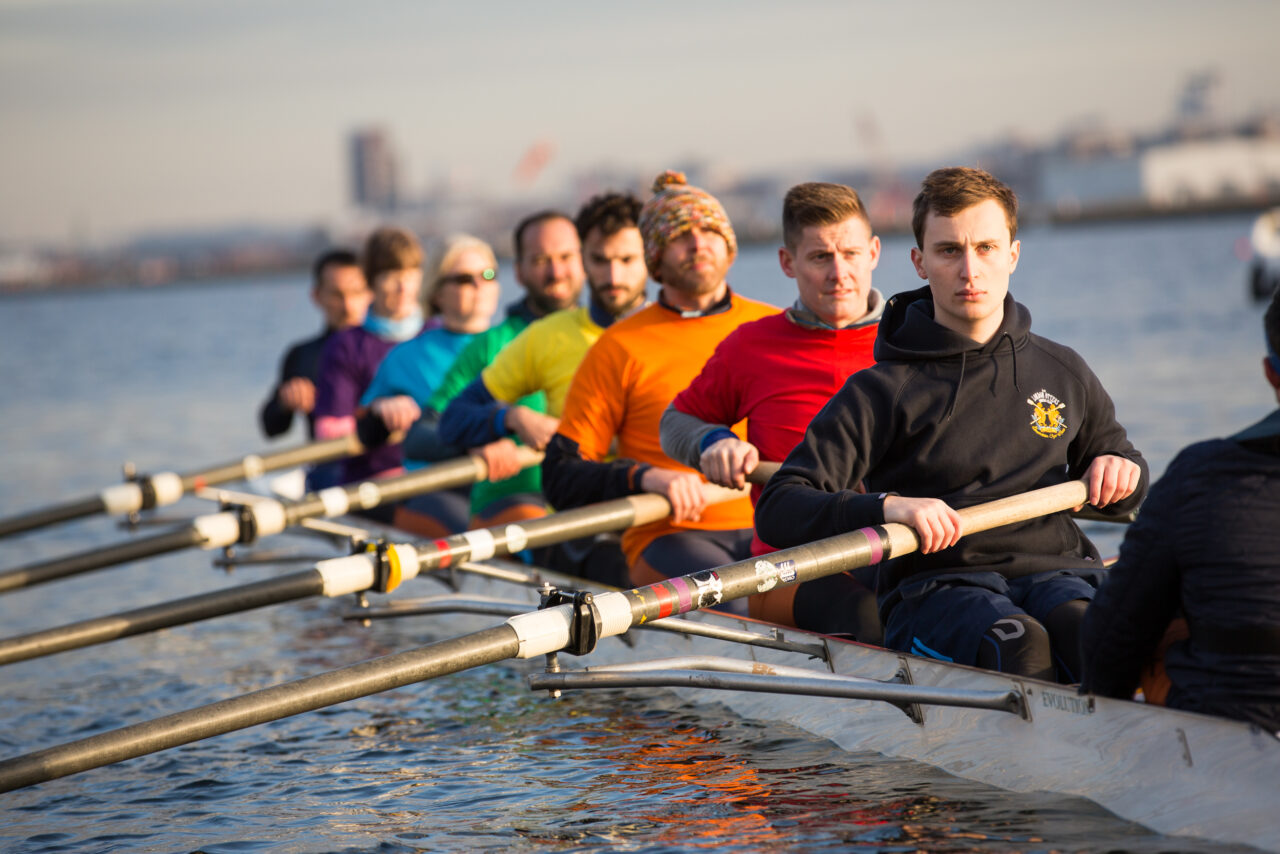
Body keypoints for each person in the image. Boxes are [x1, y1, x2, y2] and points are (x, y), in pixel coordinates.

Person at [755, 166, 1147, 682]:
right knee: (1020, 644)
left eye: (986, 248)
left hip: (1060, 572)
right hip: (936, 587)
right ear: (919, 262)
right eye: (948, 251)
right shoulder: (880, 392)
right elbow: (781, 506)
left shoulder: (1063, 369)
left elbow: (1128, 479)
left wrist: (1119, 471)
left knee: (1088, 632)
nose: (970, 270)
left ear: (1013, 254)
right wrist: (887, 507)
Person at [541, 171, 776, 607]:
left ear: (729, 245)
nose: (699, 244)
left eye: (710, 231)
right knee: (747, 607)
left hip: (776, 523)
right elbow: (559, 475)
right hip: (672, 533)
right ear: (654, 257)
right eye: (680, 235)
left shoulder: (773, 327)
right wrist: (646, 476)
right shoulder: (620, 346)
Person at [659, 182, 884, 637]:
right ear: (788, 262)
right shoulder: (751, 346)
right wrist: (713, 442)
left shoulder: (915, 340)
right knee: (867, 615)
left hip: (894, 543)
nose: (839, 273)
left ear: (874, 252)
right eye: (820, 257)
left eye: (851, 254)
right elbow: (674, 423)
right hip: (788, 565)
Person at [1080, 290, 1280, 730]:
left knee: (1161, 602)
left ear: (1270, 374)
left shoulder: (1199, 475)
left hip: (1236, 731)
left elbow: (1107, 650)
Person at [436, 192, 648, 583]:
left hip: (649, 499)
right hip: (539, 500)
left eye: (626, 260)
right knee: (615, 564)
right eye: (601, 260)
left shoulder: (676, 330)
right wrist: (508, 420)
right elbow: (444, 424)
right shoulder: (535, 338)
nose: (614, 275)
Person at [405, 210, 587, 530]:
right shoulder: (491, 345)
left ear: (584, 261)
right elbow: (420, 437)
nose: (556, 271)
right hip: (514, 500)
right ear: (518, 272)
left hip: (592, 493)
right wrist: (490, 430)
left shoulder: (611, 336)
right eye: (541, 259)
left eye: (566, 257)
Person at [354, 234, 502, 537]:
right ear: (437, 294)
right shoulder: (405, 356)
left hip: (507, 478)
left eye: (487, 275)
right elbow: (363, 429)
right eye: (464, 279)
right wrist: (381, 409)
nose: (479, 286)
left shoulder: (519, 343)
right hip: (435, 485)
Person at [312, 226, 425, 493]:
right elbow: (328, 431)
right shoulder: (347, 345)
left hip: (436, 471)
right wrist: (376, 414)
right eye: (391, 276)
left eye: (410, 275)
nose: (403, 287)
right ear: (371, 283)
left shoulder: (436, 333)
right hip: (373, 481)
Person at [258, 249, 370, 440]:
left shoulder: (392, 348)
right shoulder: (303, 356)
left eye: (356, 293)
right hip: (330, 465)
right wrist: (286, 402)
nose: (347, 305)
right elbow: (272, 427)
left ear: (370, 293)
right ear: (317, 296)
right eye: (337, 295)